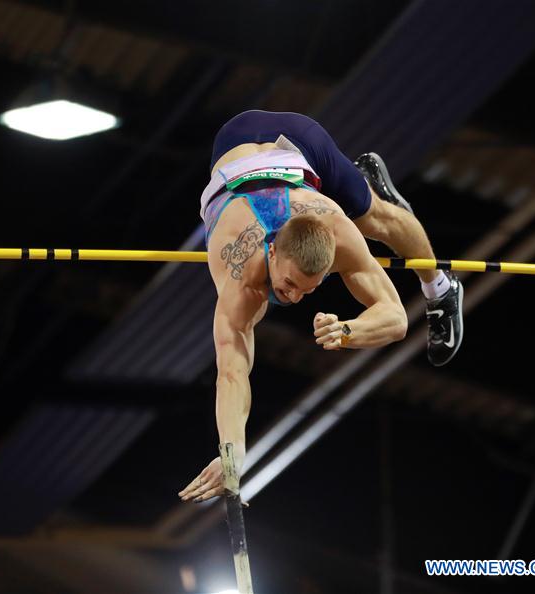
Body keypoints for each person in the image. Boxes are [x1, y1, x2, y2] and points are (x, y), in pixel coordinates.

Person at [178, 110, 463, 503]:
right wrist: (233, 453)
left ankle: (441, 288)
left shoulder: (339, 230)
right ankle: (367, 190)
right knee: (360, 224)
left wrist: (349, 331)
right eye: (290, 284)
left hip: (302, 143)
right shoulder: (238, 272)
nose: (294, 297)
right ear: (272, 250)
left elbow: (395, 318)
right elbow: (231, 371)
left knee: (375, 221)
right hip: (235, 137)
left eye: (309, 290)